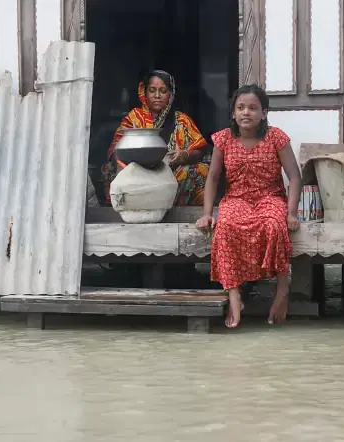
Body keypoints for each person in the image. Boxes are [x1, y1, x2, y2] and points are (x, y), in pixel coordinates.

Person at [196, 84, 302, 329]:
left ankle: (282, 290)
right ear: (233, 112)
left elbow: (294, 177)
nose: (246, 113)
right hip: (236, 199)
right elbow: (212, 177)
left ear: (264, 112)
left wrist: (292, 213)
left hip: (269, 198)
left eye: (253, 108)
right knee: (225, 228)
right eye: (240, 108)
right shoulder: (223, 139)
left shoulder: (276, 137)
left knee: (275, 226)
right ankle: (234, 295)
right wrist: (206, 214)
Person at [102, 70, 210, 206]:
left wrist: (184, 155)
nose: (157, 96)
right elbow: (115, 149)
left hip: (170, 176)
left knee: (201, 169)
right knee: (110, 169)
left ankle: (176, 209)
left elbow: (200, 150)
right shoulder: (134, 118)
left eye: (163, 91)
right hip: (137, 175)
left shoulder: (182, 120)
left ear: (170, 95)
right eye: (152, 90)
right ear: (145, 93)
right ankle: (130, 206)